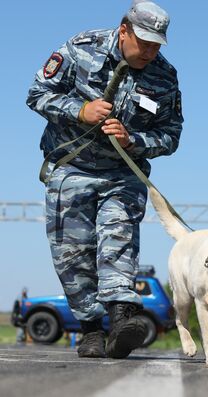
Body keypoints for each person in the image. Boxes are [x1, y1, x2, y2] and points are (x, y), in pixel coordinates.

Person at [26, 1, 183, 359]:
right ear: (124, 29)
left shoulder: (164, 76)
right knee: (73, 254)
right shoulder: (81, 47)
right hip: (71, 168)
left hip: (123, 174)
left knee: (119, 240)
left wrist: (134, 141)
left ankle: (122, 318)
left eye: (156, 44)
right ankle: (91, 329)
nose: (149, 50)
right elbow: (36, 94)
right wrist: (80, 110)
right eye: (143, 41)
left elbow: (171, 136)